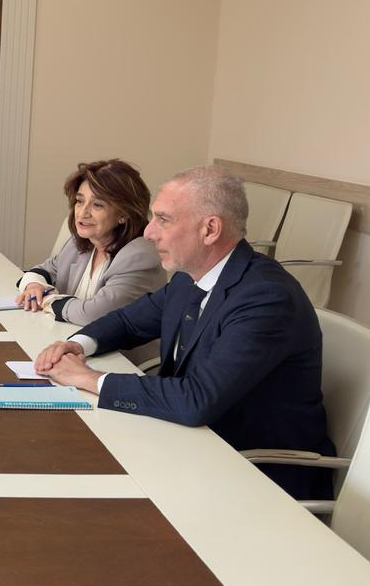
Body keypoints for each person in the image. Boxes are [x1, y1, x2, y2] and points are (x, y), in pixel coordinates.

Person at [34, 166, 333, 500]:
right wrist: (76, 346)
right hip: (187, 447)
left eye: (163, 220)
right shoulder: (189, 277)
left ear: (210, 230)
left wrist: (88, 379)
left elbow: (196, 400)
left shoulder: (266, 298)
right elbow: (129, 322)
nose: (149, 232)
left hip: (253, 476)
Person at [15, 159, 165, 324]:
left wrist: (47, 300)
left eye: (97, 205)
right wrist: (34, 286)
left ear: (124, 214)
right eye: (80, 201)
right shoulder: (80, 244)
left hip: (114, 342)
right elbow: (43, 271)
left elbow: (93, 314)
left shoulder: (140, 256)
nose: (82, 213)